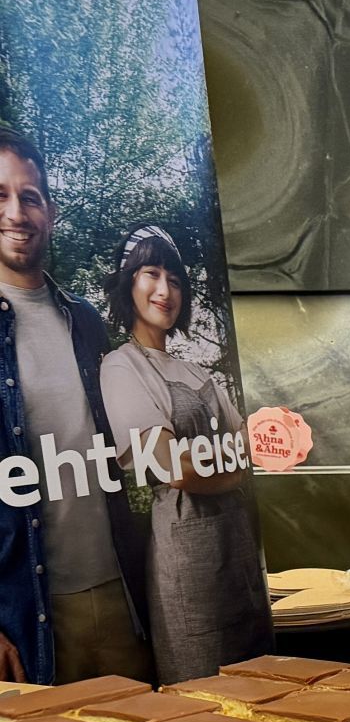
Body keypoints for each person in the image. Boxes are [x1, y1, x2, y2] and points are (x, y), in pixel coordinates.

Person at [0, 127, 150, 684]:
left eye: (30, 196)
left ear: (50, 211)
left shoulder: (83, 319)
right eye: (0, 196)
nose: (16, 212)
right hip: (25, 612)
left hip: (119, 593)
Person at [99, 225, 272, 682]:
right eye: (151, 274)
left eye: (174, 280)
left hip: (237, 549)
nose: (164, 290)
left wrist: (224, 463)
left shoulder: (195, 370)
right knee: (201, 691)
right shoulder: (122, 366)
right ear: (128, 284)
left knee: (259, 681)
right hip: (184, 558)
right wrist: (229, 470)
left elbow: (247, 449)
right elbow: (171, 468)